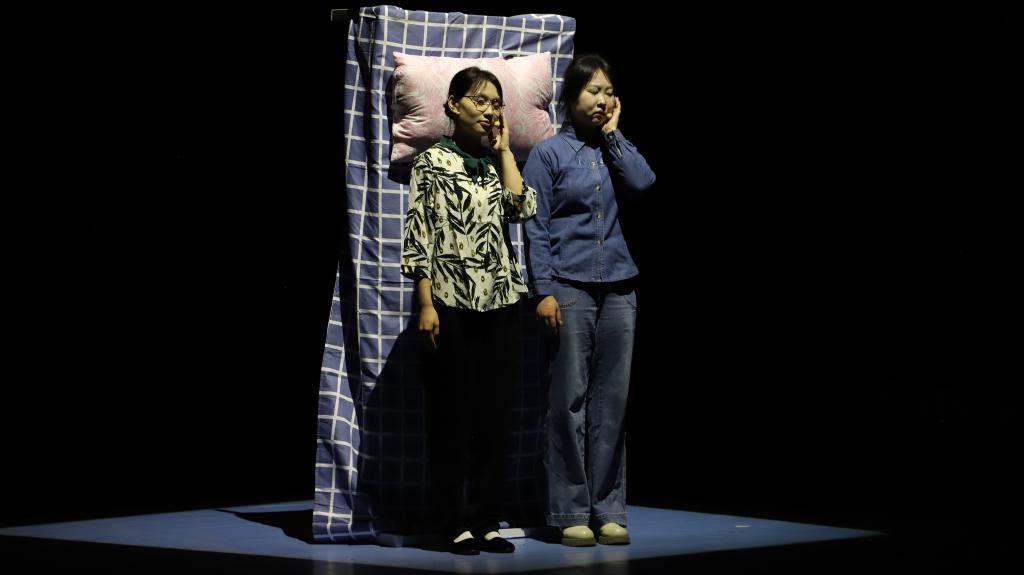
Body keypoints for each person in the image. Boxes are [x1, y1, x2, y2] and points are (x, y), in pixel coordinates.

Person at [400, 66, 537, 555]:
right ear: (453, 105)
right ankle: (453, 520)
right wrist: (425, 302)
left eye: (496, 103)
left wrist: (504, 152)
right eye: (480, 101)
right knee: (452, 414)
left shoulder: (495, 162)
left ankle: (487, 518)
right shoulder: (431, 162)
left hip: (500, 301)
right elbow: (419, 234)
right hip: (450, 302)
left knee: (494, 415)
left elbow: (522, 209)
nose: (490, 110)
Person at [523, 54, 656, 547]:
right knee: (568, 402)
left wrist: (615, 135)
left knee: (612, 402)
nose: (601, 100)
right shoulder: (548, 154)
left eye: (608, 92)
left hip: (619, 284)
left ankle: (609, 509)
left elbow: (643, 182)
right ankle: (570, 511)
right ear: (571, 96)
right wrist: (544, 290)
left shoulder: (614, 149)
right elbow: (535, 226)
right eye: (592, 91)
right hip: (569, 286)